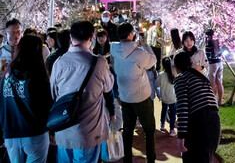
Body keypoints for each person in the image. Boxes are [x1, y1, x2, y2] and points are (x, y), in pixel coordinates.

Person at [50, 21, 114, 163]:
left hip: (64, 129)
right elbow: (108, 87)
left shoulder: (59, 62)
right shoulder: (100, 63)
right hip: (88, 132)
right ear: (92, 38)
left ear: (71, 38)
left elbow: (54, 95)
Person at [0, 35, 53, 162]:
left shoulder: (8, 73)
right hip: (34, 133)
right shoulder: (38, 73)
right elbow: (46, 105)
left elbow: (2, 103)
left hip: (11, 133)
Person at [110, 22, 157, 163]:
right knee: (149, 130)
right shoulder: (138, 53)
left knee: (128, 130)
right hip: (141, 97)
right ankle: (151, 159)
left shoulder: (114, 50)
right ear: (131, 34)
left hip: (125, 96)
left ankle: (127, 160)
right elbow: (152, 61)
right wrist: (146, 45)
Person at [174, 51, 220, 163]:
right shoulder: (200, 76)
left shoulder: (181, 78)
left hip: (200, 121)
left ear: (176, 67)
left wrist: (181, 136)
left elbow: (182, 109)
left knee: (190, 157)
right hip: (215, 121)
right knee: (205, 158)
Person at [156, 56, 177, 136]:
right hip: (173, 98)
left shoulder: (161, 75)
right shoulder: (174, 74)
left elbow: (156, 84)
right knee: (172, 113)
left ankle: (162, 124)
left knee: (164, 110)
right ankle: (172, 129)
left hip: (164, 98)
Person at [205, 29, 224, 105]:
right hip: (220, 63)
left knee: (212, 83)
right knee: (219, 82)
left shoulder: (208, 44)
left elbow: (208, 56)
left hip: (212, 64)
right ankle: (220, 100)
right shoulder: (218, 43)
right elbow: (221, 54)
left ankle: (214, 100)